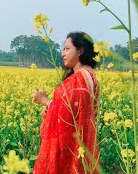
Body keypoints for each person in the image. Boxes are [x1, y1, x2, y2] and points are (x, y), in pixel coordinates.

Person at [32, 31, 101, 173]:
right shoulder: (90, 76)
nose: (63, 53)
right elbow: (76, 112)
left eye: (67, 48)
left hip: (74, 147)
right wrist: (51, 109)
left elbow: (68, 114)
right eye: (63, 49)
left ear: (80, 50)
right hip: (84, 144)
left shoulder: (79, 79)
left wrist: (45, 101)